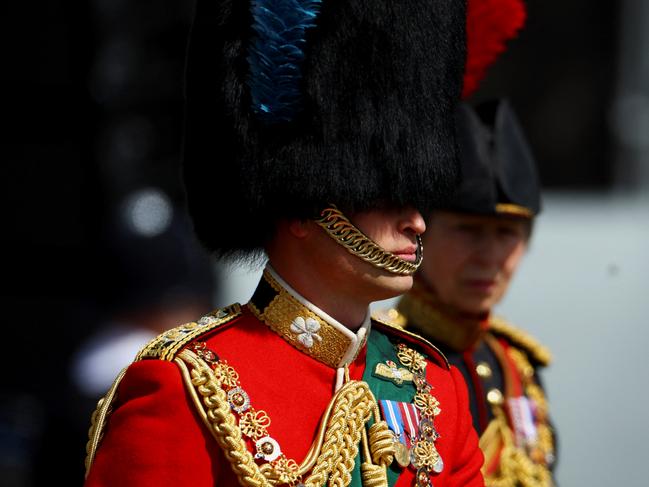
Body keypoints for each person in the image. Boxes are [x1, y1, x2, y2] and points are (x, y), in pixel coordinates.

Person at [83, 1, 487, 486]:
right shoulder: (186, 387)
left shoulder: (435, 387)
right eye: (384, 196)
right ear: (303, 206)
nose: (418, 222)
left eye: (415, 195)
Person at [375, 99, 556, 486]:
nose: (489, 257)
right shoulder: (376, 357)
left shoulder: (516, 365)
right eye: (468, 231)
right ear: (421, 231)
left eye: (507, 234)